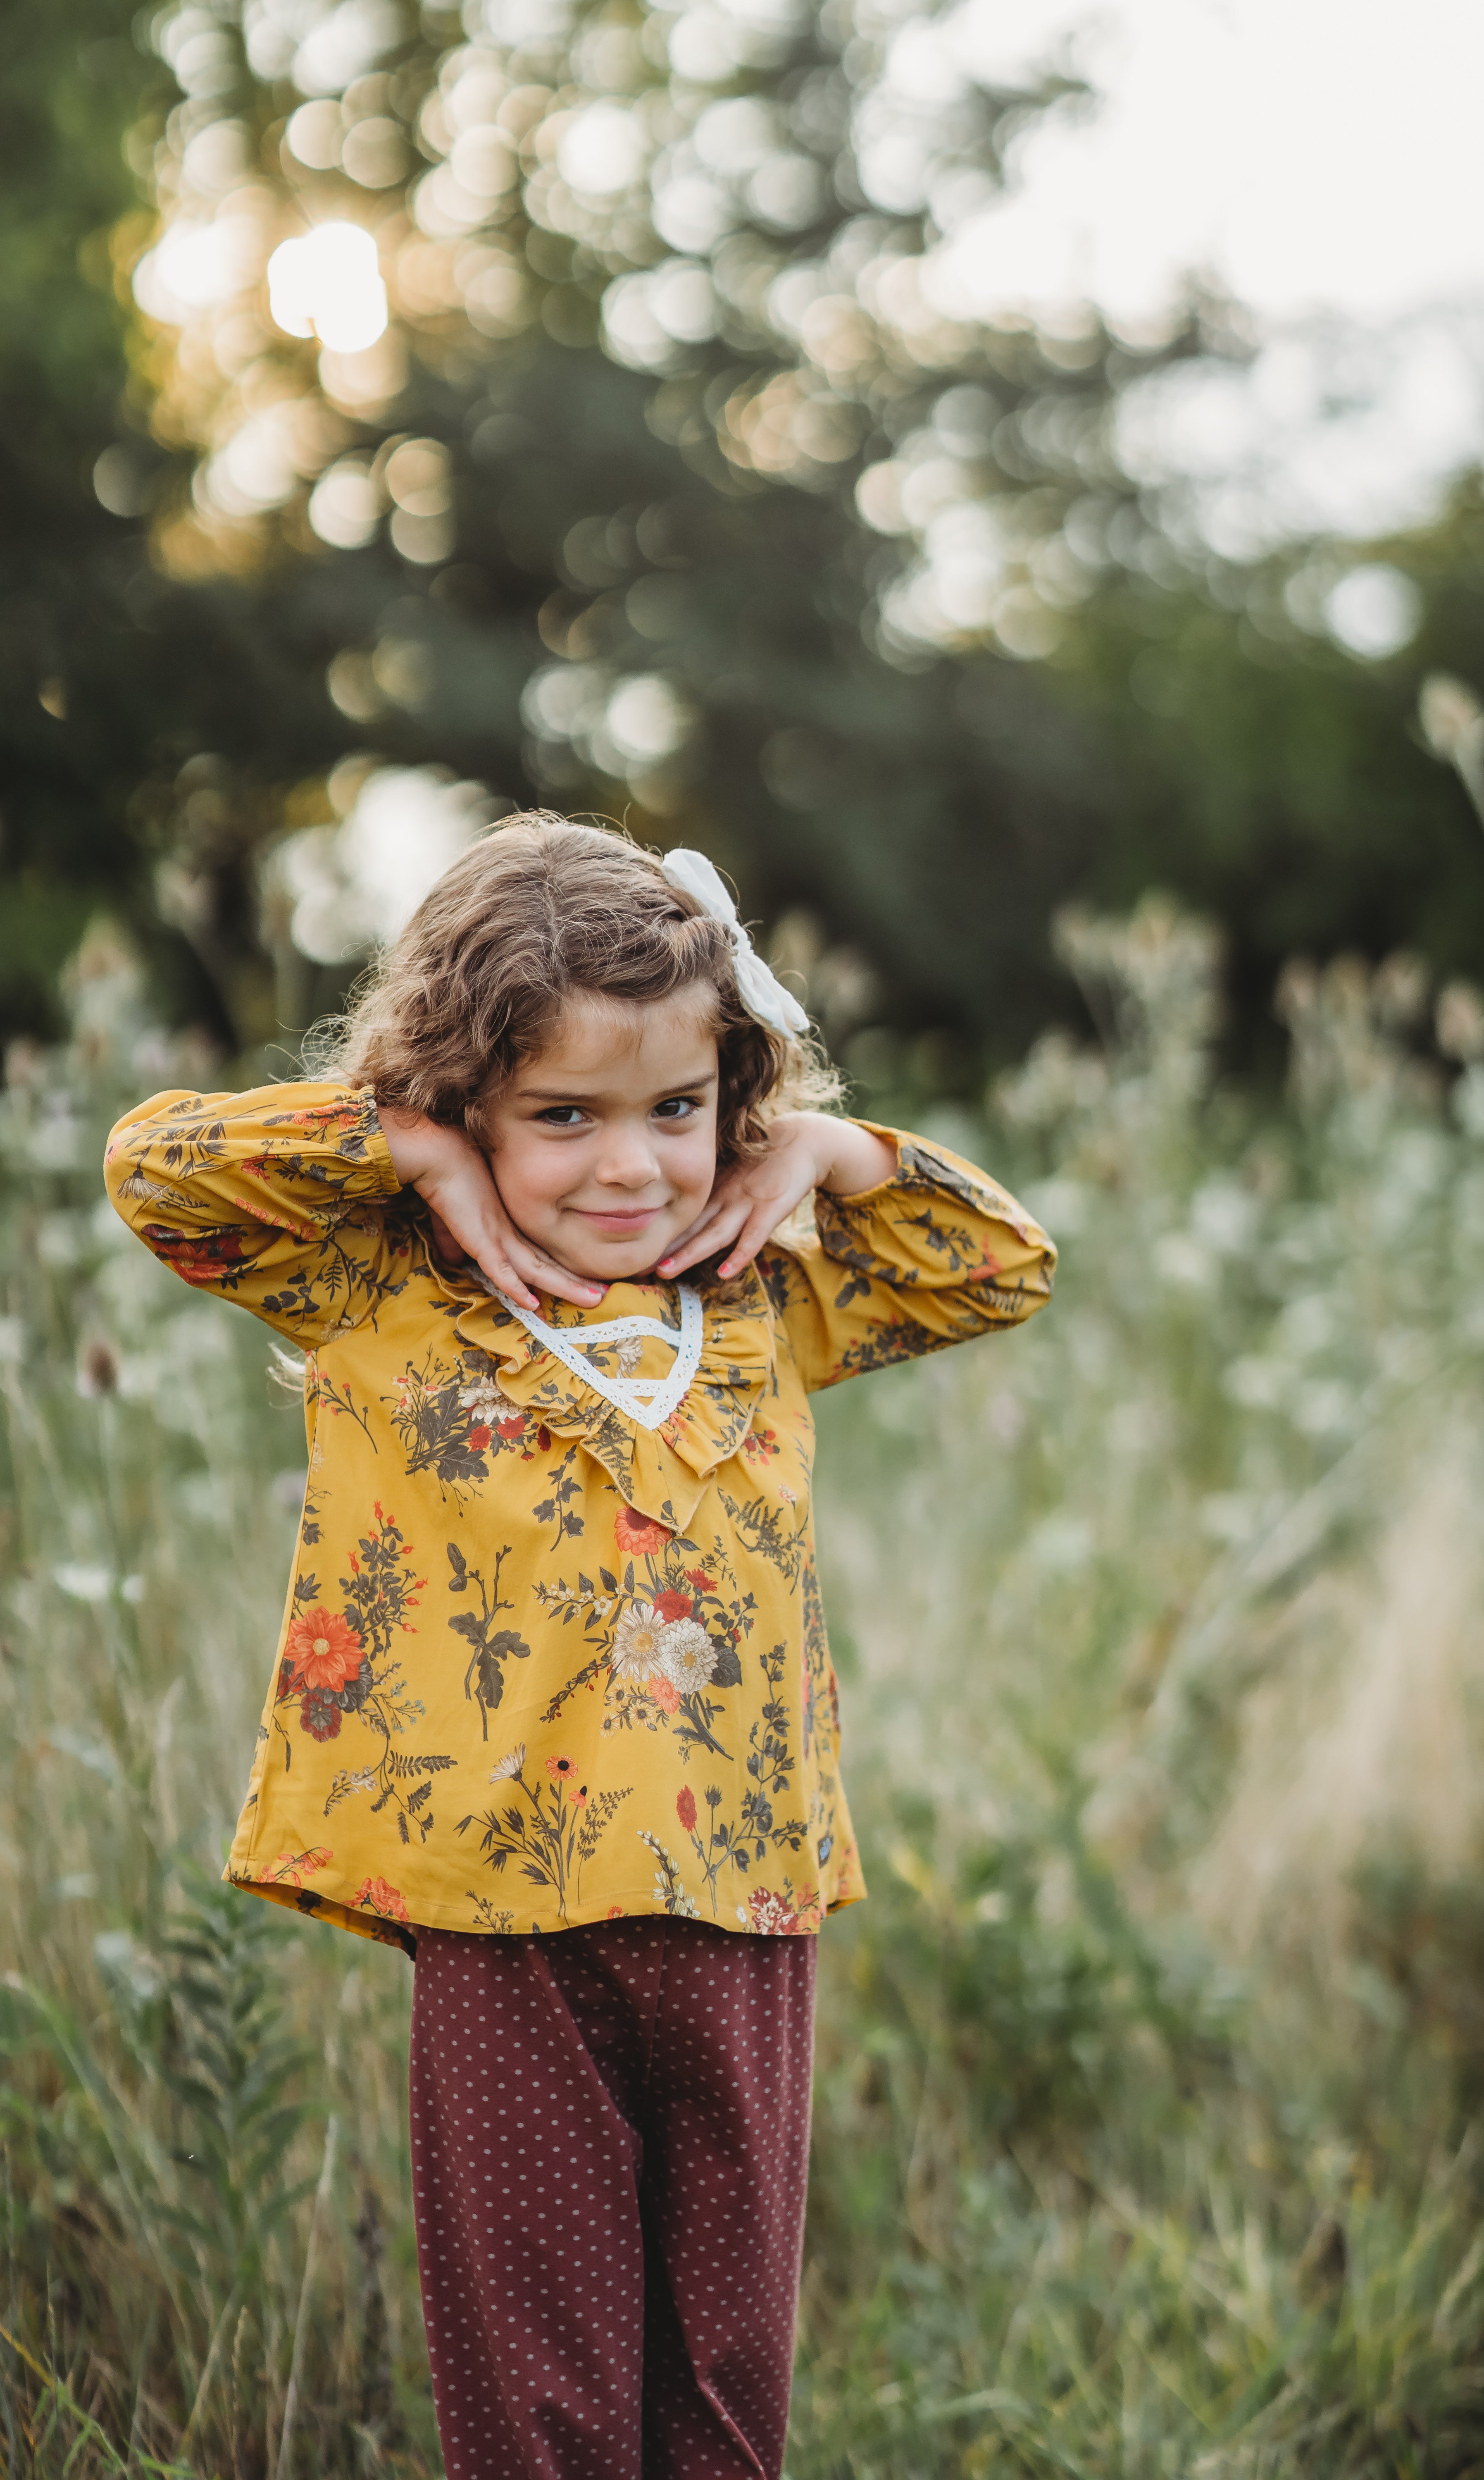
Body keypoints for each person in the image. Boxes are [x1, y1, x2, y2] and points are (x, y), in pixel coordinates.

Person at [104, 816, 1055, 2480]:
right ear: (469, 1099)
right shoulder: (376, 1281)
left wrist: (822, 1159)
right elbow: (157, 1171)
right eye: (560, 1117)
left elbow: (1001, 1265)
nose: (629, 1167)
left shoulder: (758, 1285)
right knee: (534, 2374)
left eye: (674, 1109)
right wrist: (413, 1154)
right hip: (502, 1902)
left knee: (725, 2375)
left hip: (741, 1890)